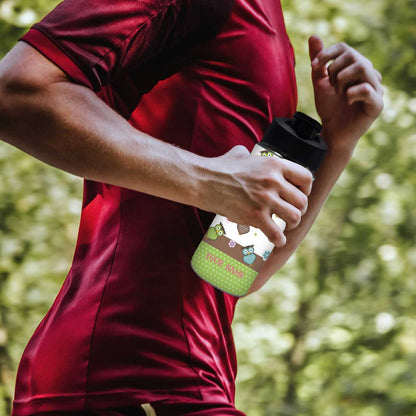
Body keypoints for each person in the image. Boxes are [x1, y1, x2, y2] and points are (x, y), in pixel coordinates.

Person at [0, 0, 383, 415]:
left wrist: (339, 141)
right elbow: (16, 92)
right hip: (120, 377)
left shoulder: (267, 24)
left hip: (196, 379)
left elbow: (234, 269)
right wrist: (211, 181)